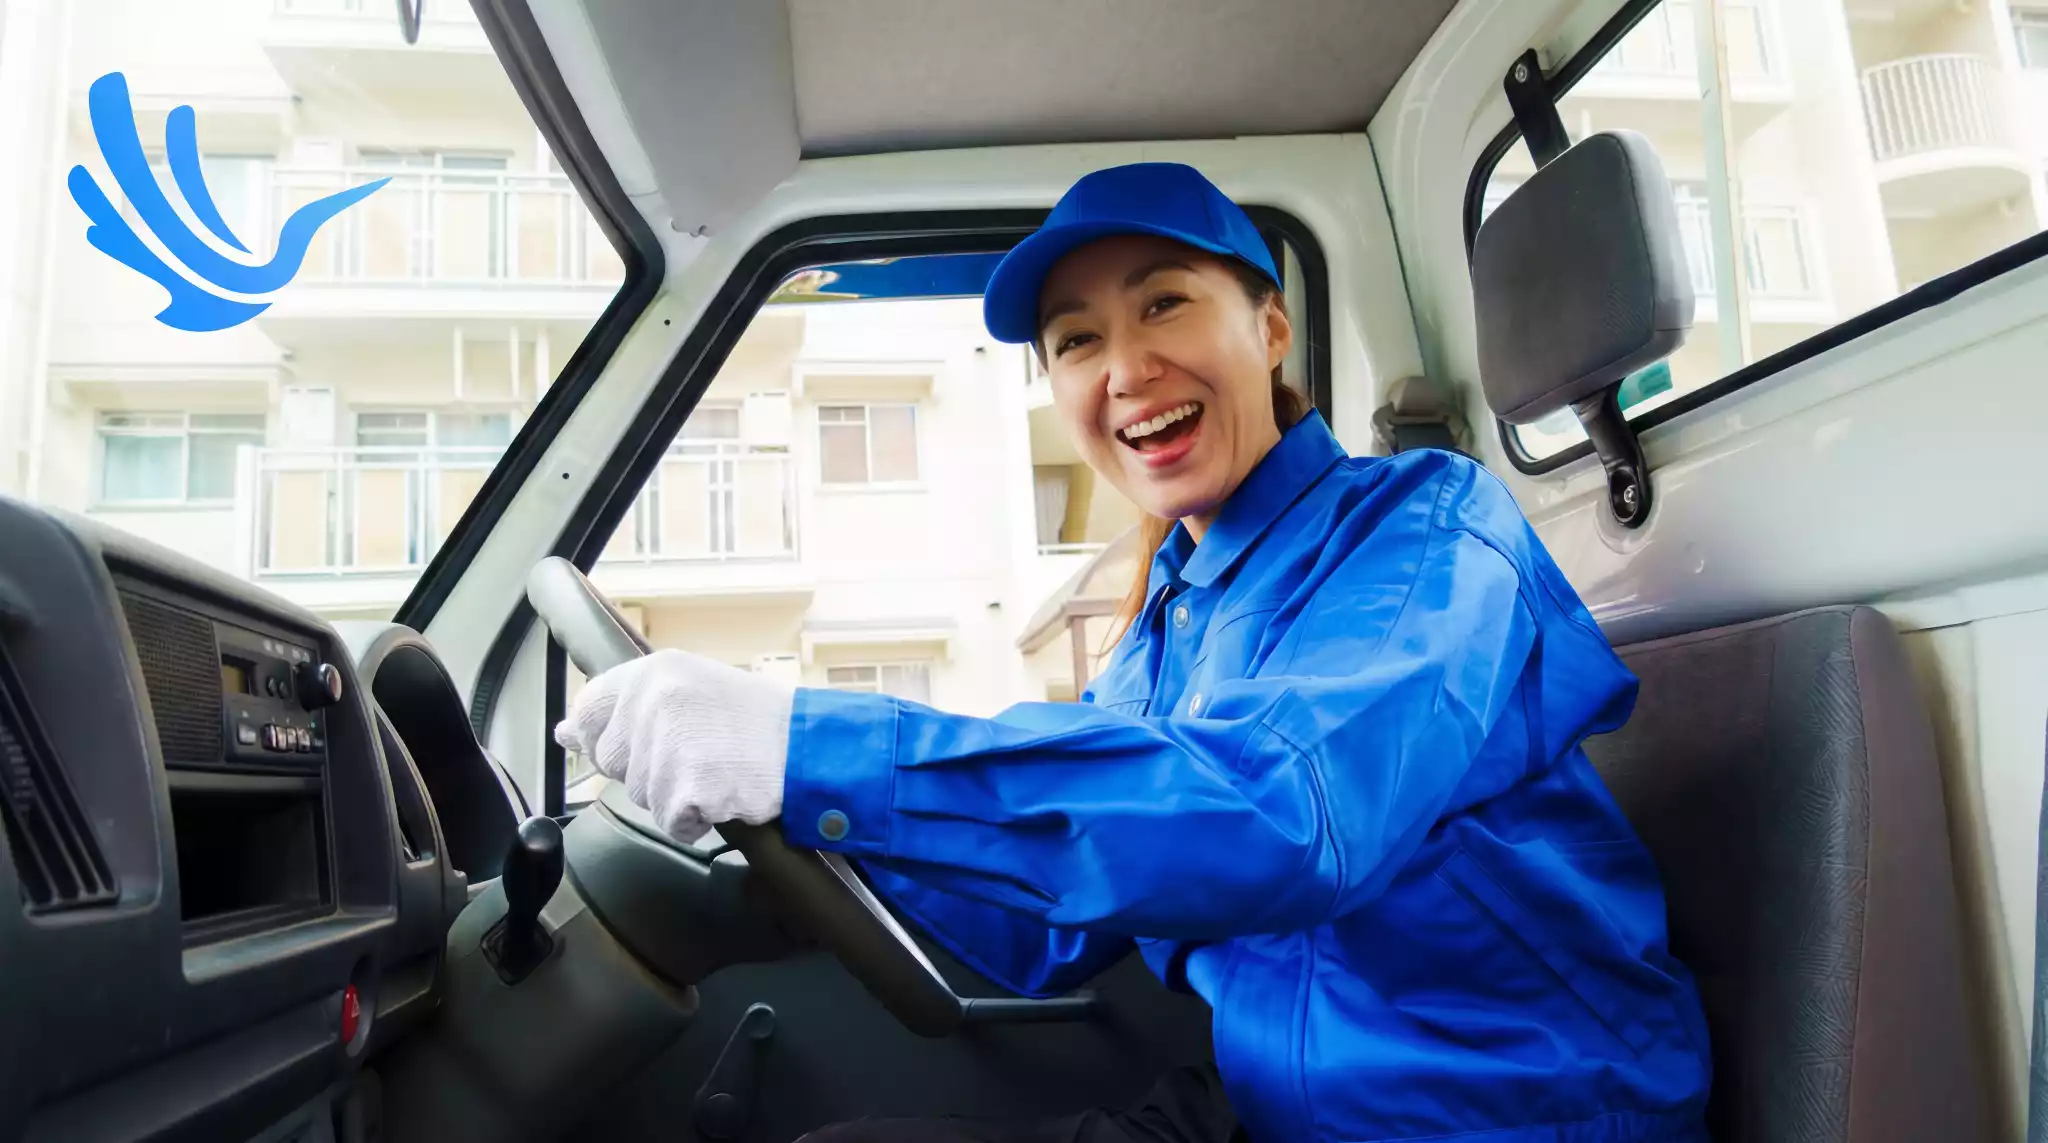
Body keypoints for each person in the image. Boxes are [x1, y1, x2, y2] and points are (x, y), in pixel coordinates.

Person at [555, 162, 1713, 1143]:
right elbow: (1047, 928)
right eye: (1075, 342)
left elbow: (1289, 815)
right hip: (1265, 1103)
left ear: (1267, 328)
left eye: (1163, 305)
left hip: (1504, 1109)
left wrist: (805, 751)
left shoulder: (1421, 527)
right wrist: (776, 830)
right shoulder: (1176, 610)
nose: (1123, 370)